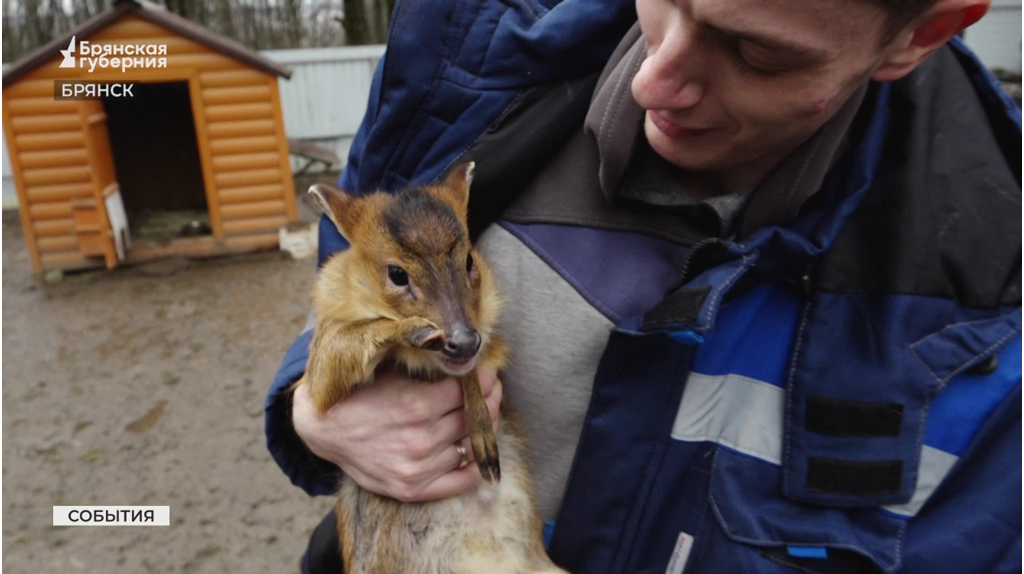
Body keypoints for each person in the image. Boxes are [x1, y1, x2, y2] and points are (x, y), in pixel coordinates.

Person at [266, 0, 1022, 572]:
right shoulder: (464, 51)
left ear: (920, 34)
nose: (652, 78)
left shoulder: (992, 317)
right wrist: (314, 404)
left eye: (756, 52)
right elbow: (357, 268)